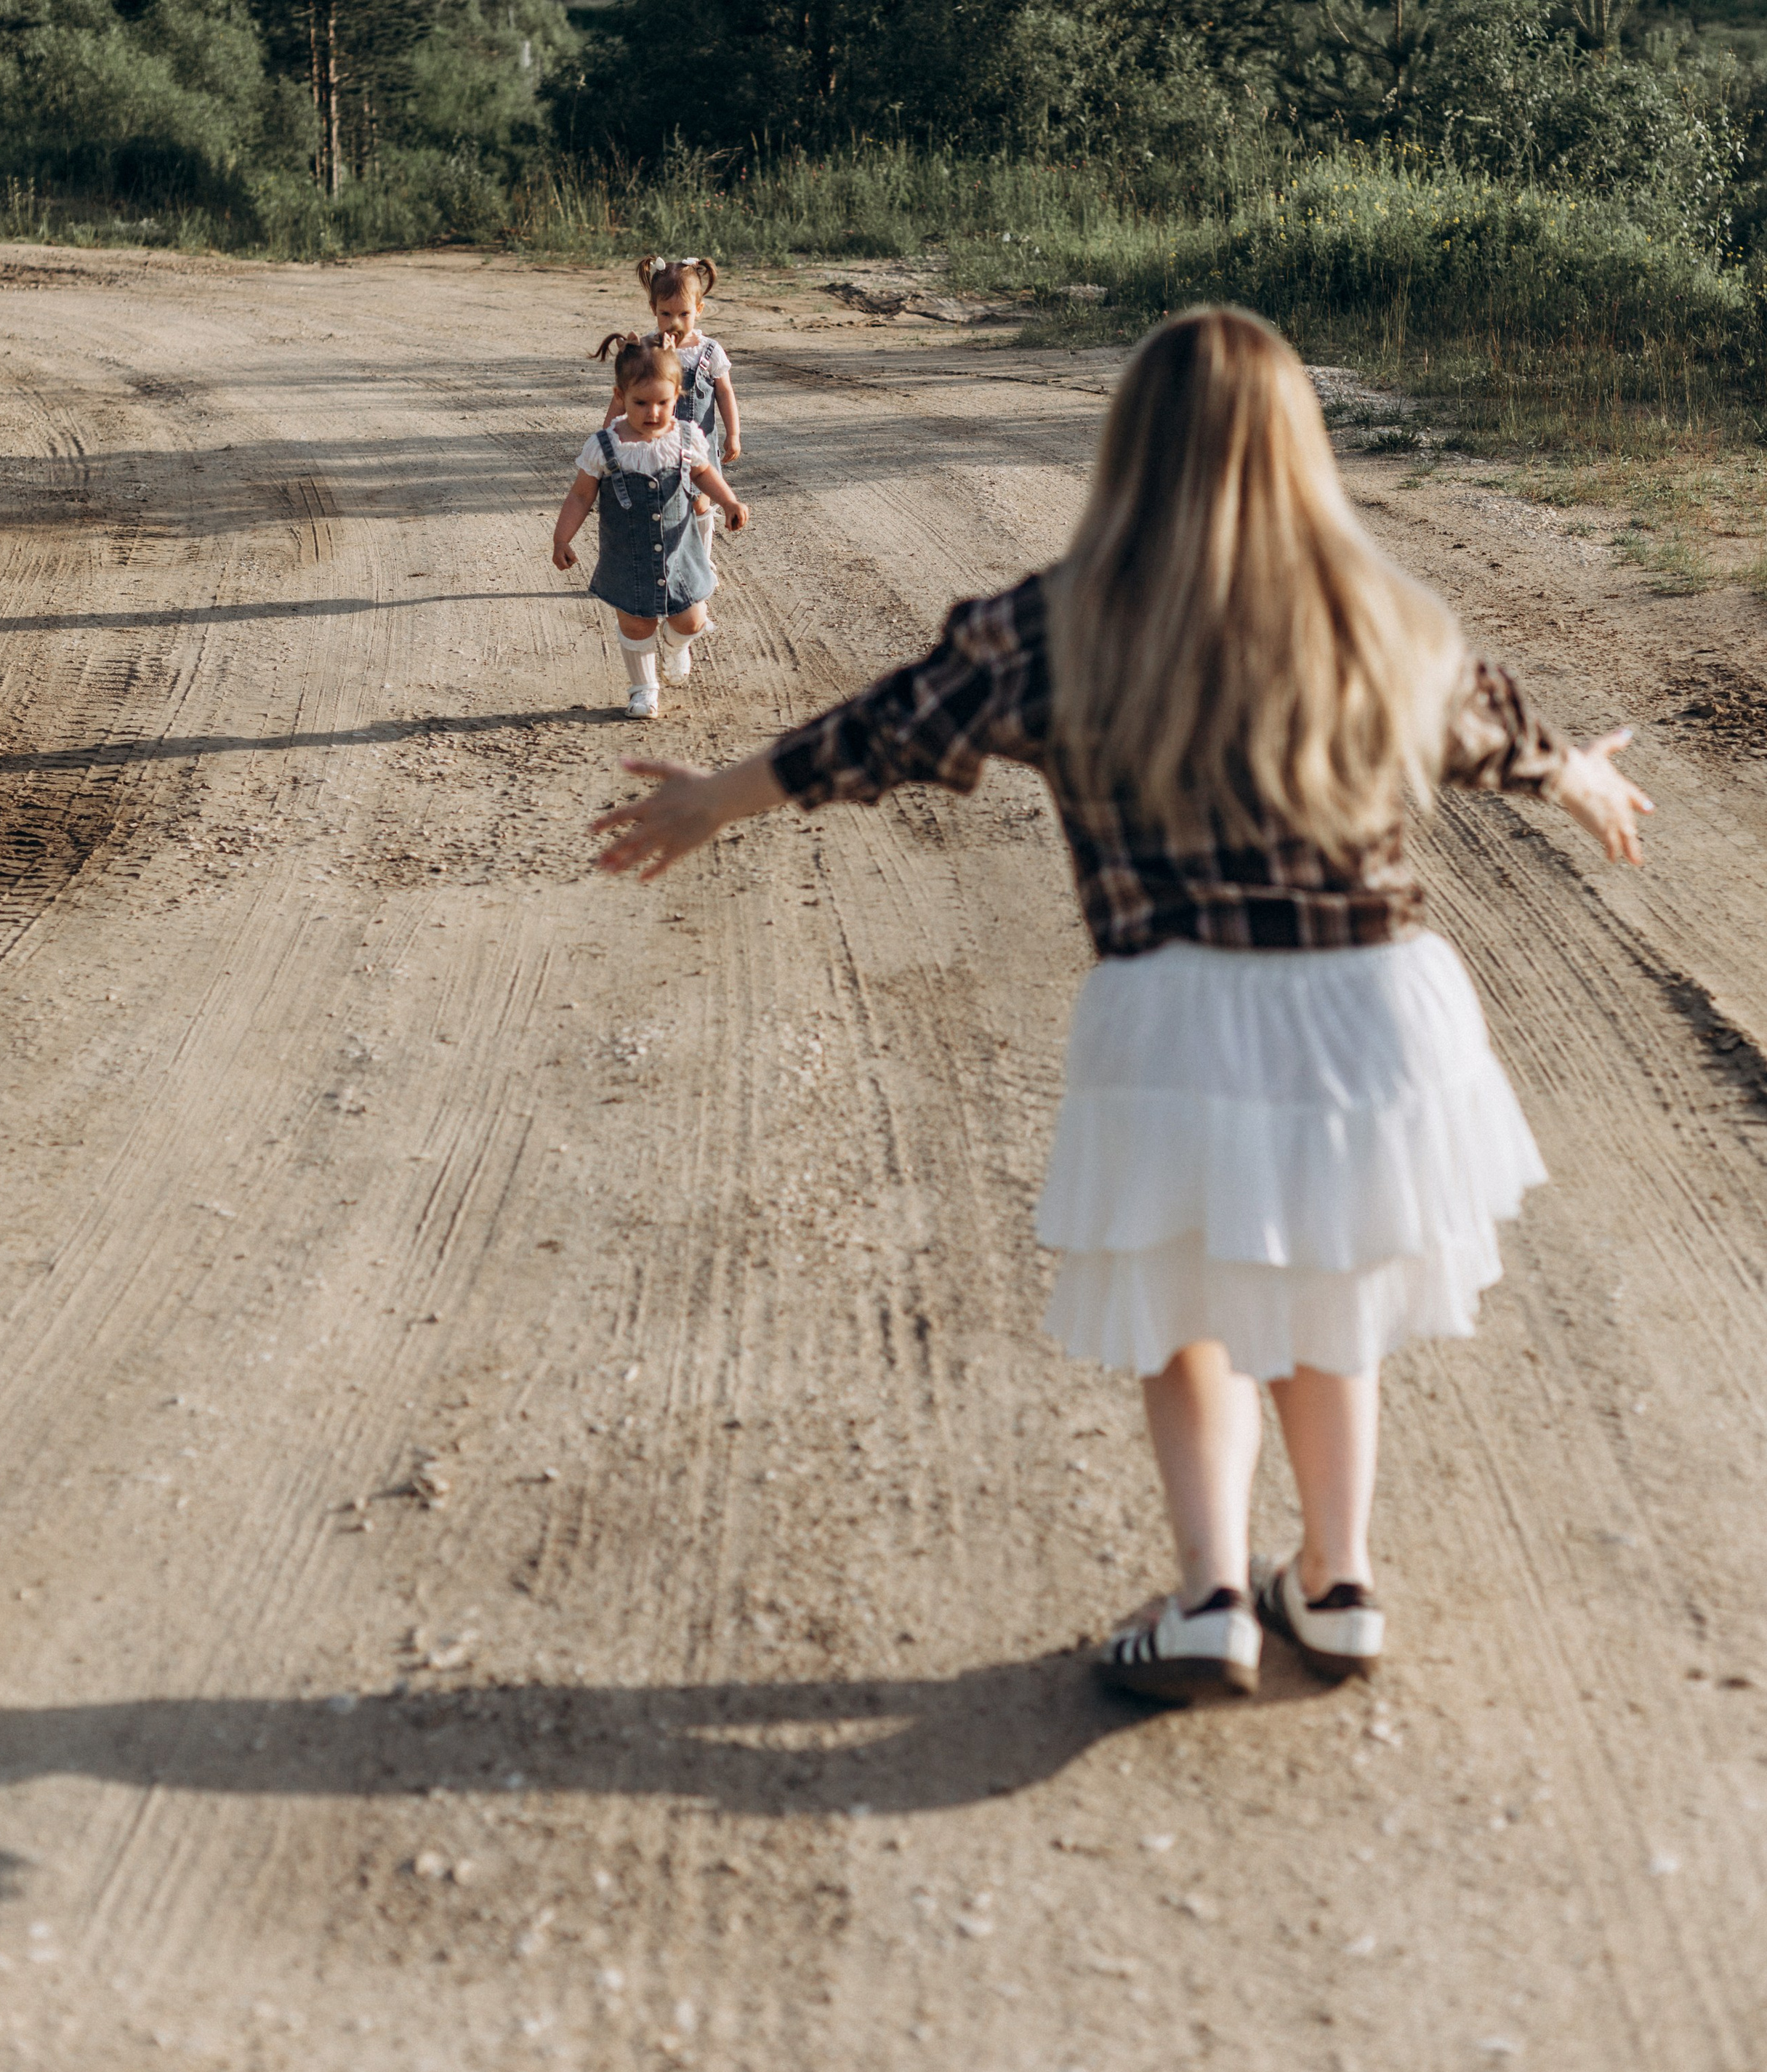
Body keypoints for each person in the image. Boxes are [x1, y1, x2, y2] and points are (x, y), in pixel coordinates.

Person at [589, 307, 1651, 1701]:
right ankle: (1336, 1588)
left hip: (1185, 1004)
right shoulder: (1368, 611)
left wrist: (713, 797)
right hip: (1375, 1005)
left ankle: (1210, 1597)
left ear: (1129, 450)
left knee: (1188, 1307)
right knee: (1326, 1300)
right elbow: (1495, 722)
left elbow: (886, 732)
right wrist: (1575, 775)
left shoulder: (1059, 621)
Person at [555, 336, 749, 719]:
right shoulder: (605, 446)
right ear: (620, 396)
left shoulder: (685, 438)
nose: (653, 412)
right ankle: (643, 690)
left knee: (691, 620)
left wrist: (728, 501)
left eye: (663, 402)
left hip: (679, 553)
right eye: (641, 403)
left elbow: (705, 472)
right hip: (628, 556)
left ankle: (677, 647)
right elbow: (580, 496)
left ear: (677, 395)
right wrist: (562, 537)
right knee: (636, 623)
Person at [601, 257, 741, 541]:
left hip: (699, 445)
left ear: (699, 310)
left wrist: (733, 434)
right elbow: (624, 394)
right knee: (660, 503)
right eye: (665, 314)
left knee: (700, 502)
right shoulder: (645, 350)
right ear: (653, 309)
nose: (674, 323)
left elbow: (725, 393)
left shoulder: (709, 351)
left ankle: (701, 561)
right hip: (655, 444)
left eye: (684, 314)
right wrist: (608, 434)